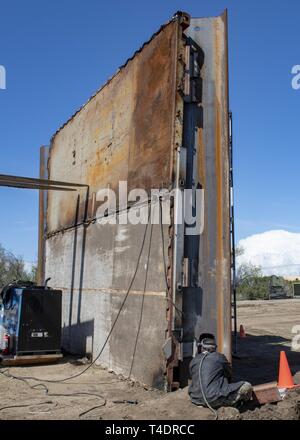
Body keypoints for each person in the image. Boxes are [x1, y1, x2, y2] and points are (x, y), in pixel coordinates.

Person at [188, 334, 252, 409]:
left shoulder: (193, 360)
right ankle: (239, 405)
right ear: (214, 348)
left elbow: (193, 377)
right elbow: (229, 373)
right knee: (247, 385)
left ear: (202, 347)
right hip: (213, 398)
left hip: (196, 399)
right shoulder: (219, 357)